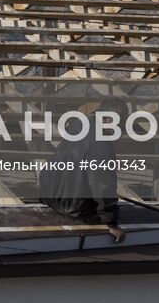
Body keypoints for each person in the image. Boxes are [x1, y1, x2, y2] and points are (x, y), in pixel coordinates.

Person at [37, 96, 127, 242]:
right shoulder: (101, 143)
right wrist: (111, 223)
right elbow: (102, 183)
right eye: (121, 124)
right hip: (74, 208)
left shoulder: (80, 123)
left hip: (50, 195)